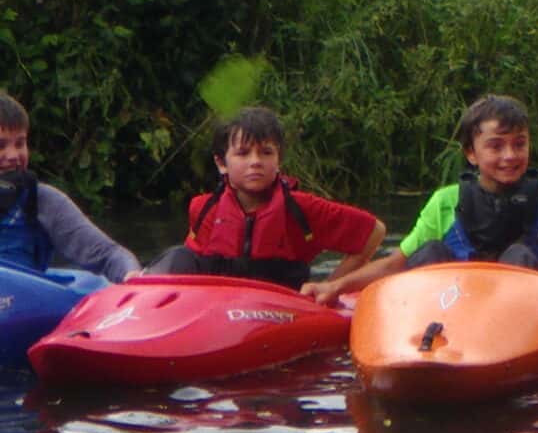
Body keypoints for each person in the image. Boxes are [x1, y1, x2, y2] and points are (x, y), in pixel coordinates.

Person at [326, 94, 538, 297]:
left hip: (524, 313)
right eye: (496, 146)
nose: (510, 155)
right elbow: (395, 264)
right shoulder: (446, 201)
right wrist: (335, 286)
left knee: (518, 258)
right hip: (453, 313)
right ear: (471, 153)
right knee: (427, 253)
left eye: (519, 143)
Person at [146, 105, 385, 299]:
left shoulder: (302, 209)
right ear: (221, 164)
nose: (255, 162)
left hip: (278, 316)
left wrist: (331, 287)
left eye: (266, 152)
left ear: (279, 159)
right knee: (178, 255)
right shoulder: (204, 208)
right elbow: (189, 264)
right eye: (243, 153)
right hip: (216, 314)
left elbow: (373, 232)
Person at [0, 92, 138, 281]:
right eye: (1, 145)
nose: (13, 155)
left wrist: (131, 276)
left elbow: (108, 255)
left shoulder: (42, 200)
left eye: (20, 144)